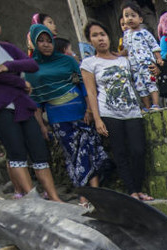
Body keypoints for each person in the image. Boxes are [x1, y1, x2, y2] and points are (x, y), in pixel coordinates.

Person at [0, 5, 62, 202]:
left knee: (39, 151)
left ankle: (54, 197)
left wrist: (7, 66)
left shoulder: (7, 48)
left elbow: (31, 64)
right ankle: (32, 198)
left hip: (21, 105)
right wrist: (20, 82)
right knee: (16, 151)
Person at [25, 25, 108, 210]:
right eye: (41, 41)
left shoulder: (68, 61)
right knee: (73, 156)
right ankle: (83, 197)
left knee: (89, 148)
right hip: (58, 118)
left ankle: (96, 194)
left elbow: (84, 86)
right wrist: (41, 126)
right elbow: (36, 102)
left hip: (80, 112)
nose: (46, 45)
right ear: (35, 43)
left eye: (49, 41)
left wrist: (89, 109)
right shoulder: (32, 69)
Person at [81, 20, 152, 202]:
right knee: (120, 153)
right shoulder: (89, 63)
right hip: (109, 112)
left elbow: (139, 79)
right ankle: (132, 192)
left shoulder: (123, 60)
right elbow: (91, 92)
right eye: (95, 36)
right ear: (90, 41)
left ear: (108, 36)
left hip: (132, 111)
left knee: (138, 150)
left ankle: (139, 188)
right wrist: (97, 119)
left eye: (102, 34)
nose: (100, 39)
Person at [121, 3, 162, 111]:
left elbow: (154, 46)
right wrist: (117, 55)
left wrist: (158, 59)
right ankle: (147, 107)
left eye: (133, 15)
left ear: (140, 19)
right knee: (140, 87)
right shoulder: (126, 36)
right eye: (126, 15)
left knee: (151, 83)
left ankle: (156, 105)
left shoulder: (144, 33)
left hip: (146, 64)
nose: (130, 18)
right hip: (135, 67)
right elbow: (126, 50)